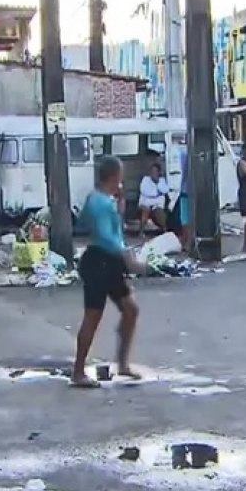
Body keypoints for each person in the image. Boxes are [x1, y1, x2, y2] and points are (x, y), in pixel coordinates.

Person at [71, 155, 145, 389]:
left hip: (109, 261)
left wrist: (119, 208)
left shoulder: (102, 199)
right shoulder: (100, 202)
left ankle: (122, 363)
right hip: (100, 261)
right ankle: (78, 371)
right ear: (115, 176)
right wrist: (127, 256)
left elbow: (110, 229)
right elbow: (105, 236)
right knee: (92, 316)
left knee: (130, 309)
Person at [138, 162, 169, 237]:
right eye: (152, 171)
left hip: (157, 204)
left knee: (160, 213)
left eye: (155, 171)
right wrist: (157, 193)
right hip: (145, 202)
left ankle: (165, 231)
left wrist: (157, 183)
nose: (153, 173)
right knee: (146, 210)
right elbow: (144, 191)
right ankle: (141, 232)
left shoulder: (162, 180)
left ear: (158, 172)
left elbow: (165, 190)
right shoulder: (145, 179)